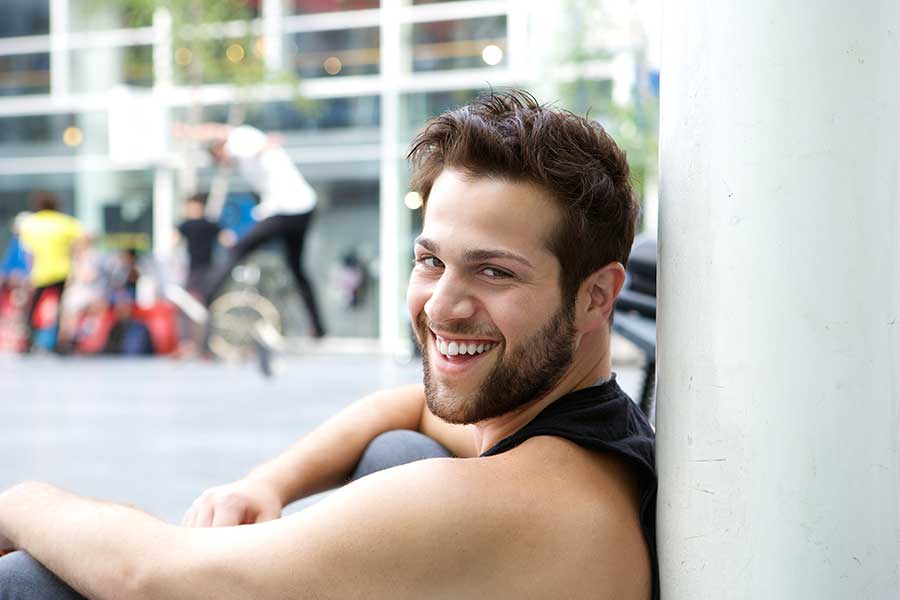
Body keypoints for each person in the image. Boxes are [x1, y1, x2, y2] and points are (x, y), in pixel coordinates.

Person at [0, 90, 657, 599]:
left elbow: (154, 577)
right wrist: (267, 483)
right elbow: (407, 408)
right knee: (397, 448)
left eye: (494, 271)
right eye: (431, 262)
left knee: (31, 582)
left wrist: (18, 502)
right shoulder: (584, 435)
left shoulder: (519, 502)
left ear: (597, 296)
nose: (443, 306)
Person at [174, 121, 326, 338]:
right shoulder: (242, 157)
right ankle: (319, 328)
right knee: (297, 269)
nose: (224, 164)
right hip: (303, 209)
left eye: (219, 159)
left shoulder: (239, 141)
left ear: (220, 149)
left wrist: (189, 132)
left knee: (238, 248)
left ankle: (203, 296)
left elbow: (221, 131)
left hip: (285, 211)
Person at [17, 191, 87, 353]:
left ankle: (28, 340)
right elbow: (84, 239)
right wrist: (75, 258)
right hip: (63, 270)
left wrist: (29, 273)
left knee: (33, 307)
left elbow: (28, 252)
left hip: (40, 272)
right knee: (60, 308)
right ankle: (58, 342)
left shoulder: (30, 223)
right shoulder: (65, 222)